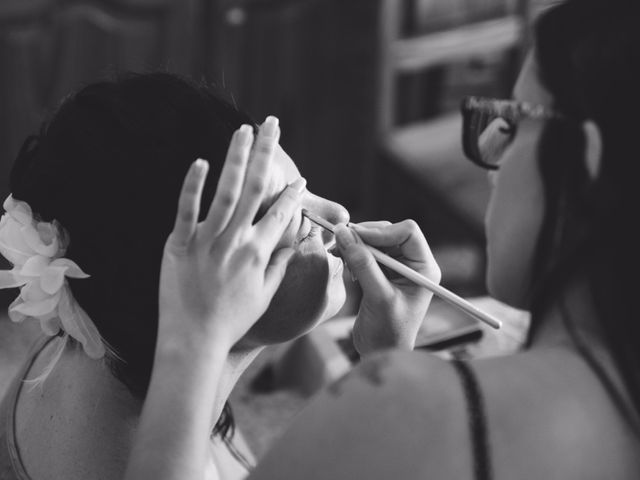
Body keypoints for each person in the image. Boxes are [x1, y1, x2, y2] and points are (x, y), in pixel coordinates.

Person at [125, 0, 640, 478]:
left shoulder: (396, 414)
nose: (489, 150)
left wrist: (190, 339)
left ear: (583, 161)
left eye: (513, 123)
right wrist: (395, 366)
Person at [0, 73, 350, 480]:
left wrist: (389, 361)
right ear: (198, 291)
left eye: (303, 192)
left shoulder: (92, 326)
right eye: (294, 219)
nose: (339, 215)